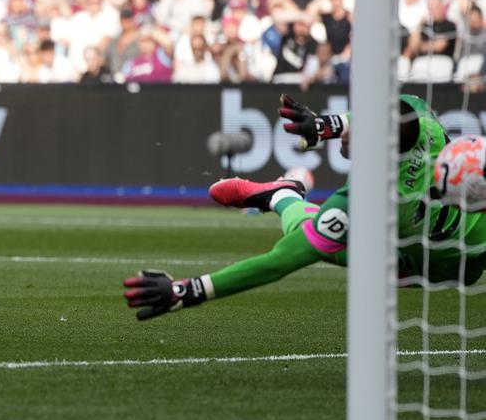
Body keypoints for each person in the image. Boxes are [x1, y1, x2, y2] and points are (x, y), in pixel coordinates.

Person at [123, 95, 486, 320]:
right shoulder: (424, 129)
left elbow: (279, 262)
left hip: (428, 255)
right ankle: (283, 194)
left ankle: (282, 194)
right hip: (429, 263)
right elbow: (400, 111)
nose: (348, 132)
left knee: (309, 238)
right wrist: (328, 126)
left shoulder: (365, 198)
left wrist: (187, 292)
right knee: (326, 243)